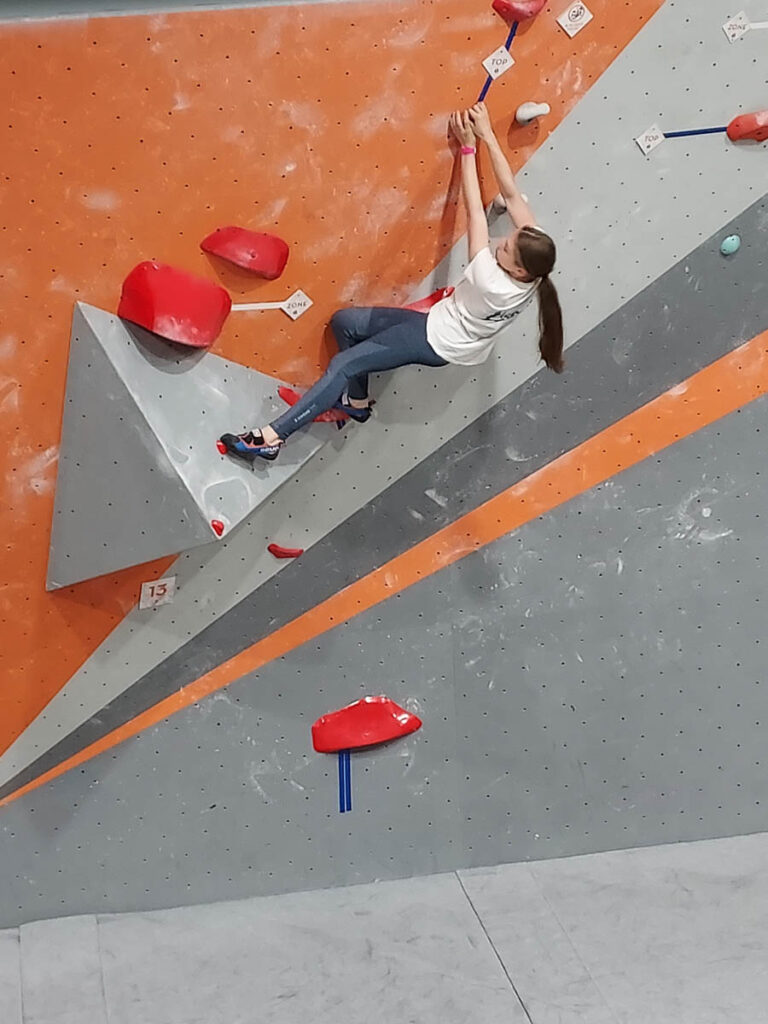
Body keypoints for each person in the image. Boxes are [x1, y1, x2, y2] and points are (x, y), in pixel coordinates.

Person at [218, 102, 564, 463]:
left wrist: (468, 147)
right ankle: (356, 402)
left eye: (504, 250)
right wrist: (488, 134)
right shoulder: (535, 255)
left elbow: (475, 211)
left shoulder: (493, 282)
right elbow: (510, 194)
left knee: (346, 364)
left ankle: (272, 438)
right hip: (454, 330)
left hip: (437, 338)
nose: (498, 243)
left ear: (518, 272)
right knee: (345, 324)